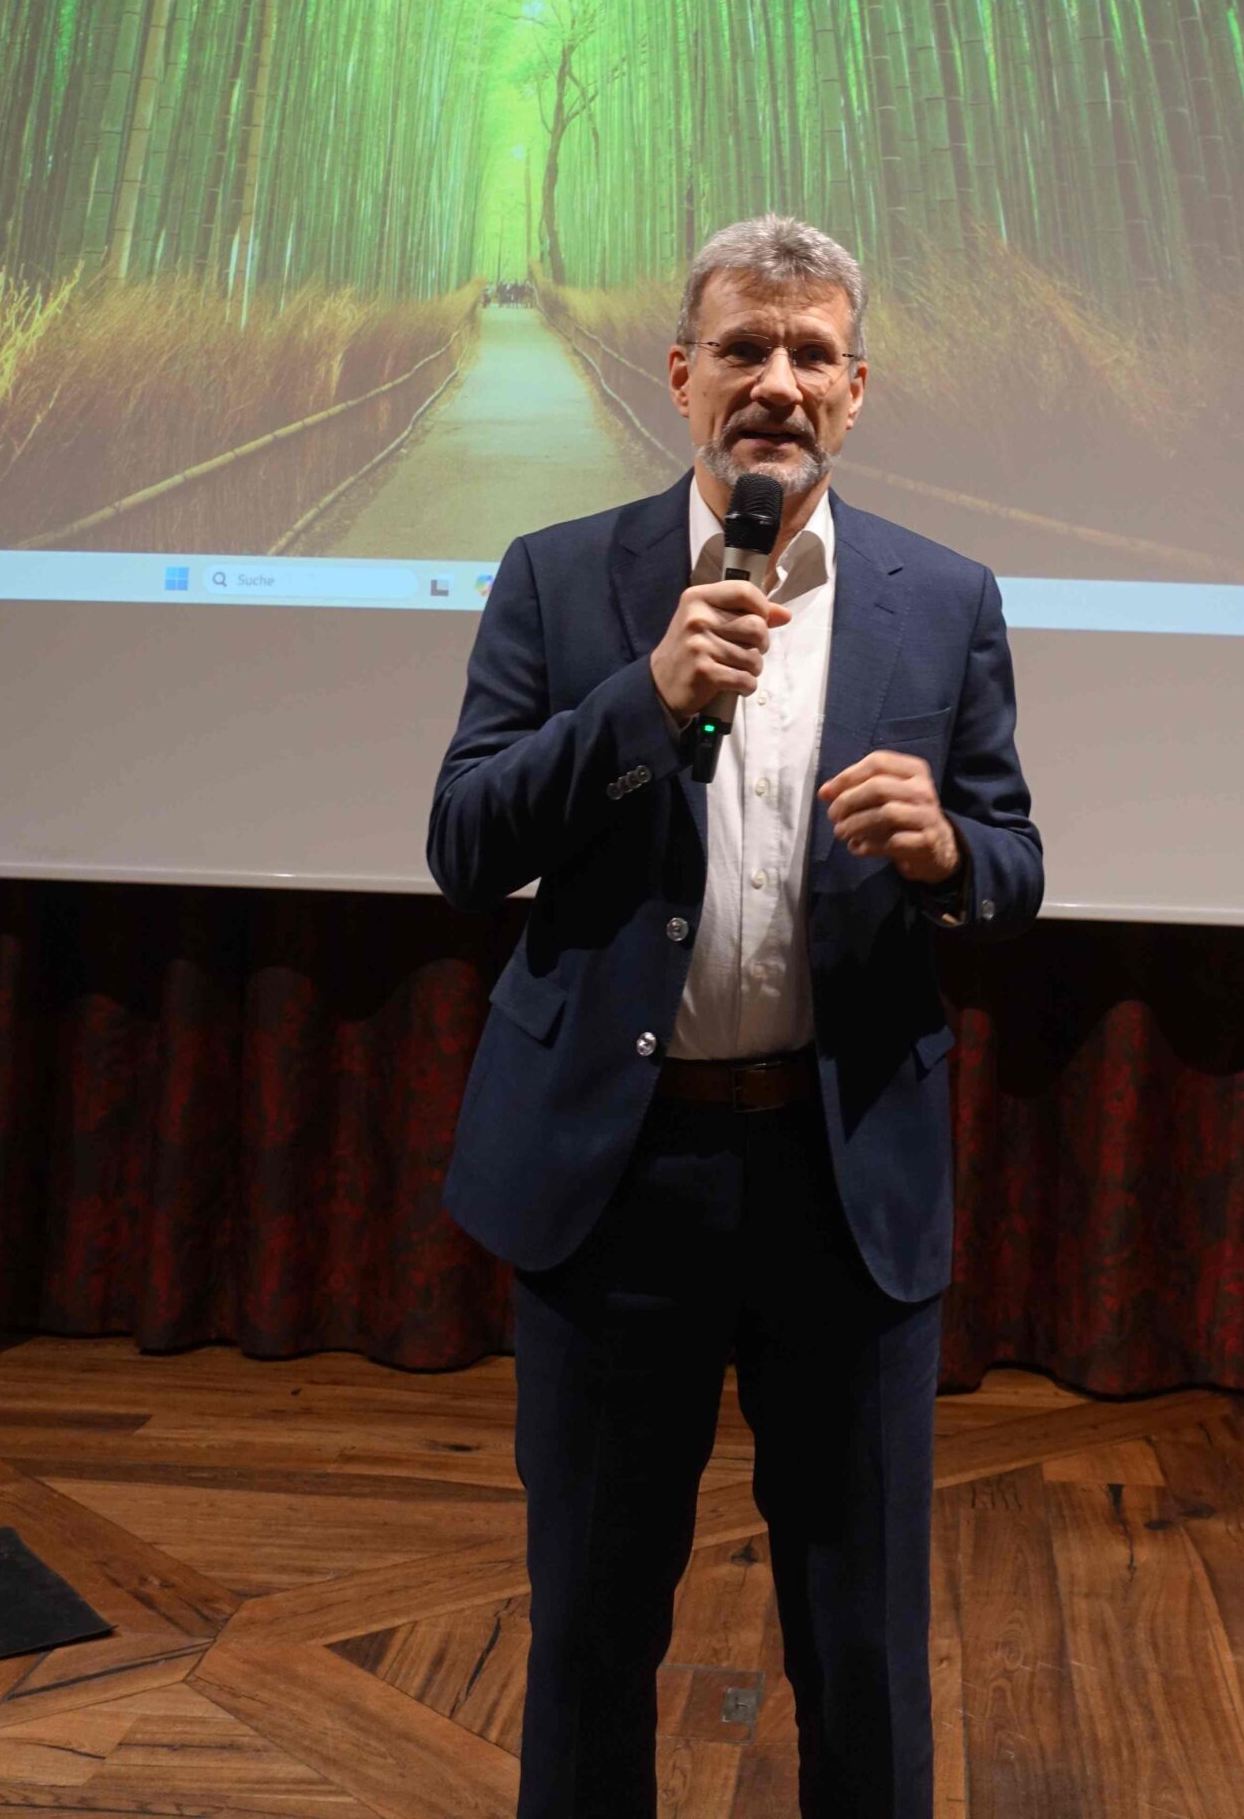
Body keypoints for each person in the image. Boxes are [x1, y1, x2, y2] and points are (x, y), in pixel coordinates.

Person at [428, 213, 1042, 1819]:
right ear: (682, 374)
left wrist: (949, 852)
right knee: (592, 1627)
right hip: (616, 1182)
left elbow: (1016, 864)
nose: (779, 382)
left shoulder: (944, 598)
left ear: (858, 389)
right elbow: (466, 844)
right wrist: (644, 699)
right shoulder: (562, 575)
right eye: (745, 350)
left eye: (813, 354)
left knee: (864, 1640)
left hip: (841, 1182)